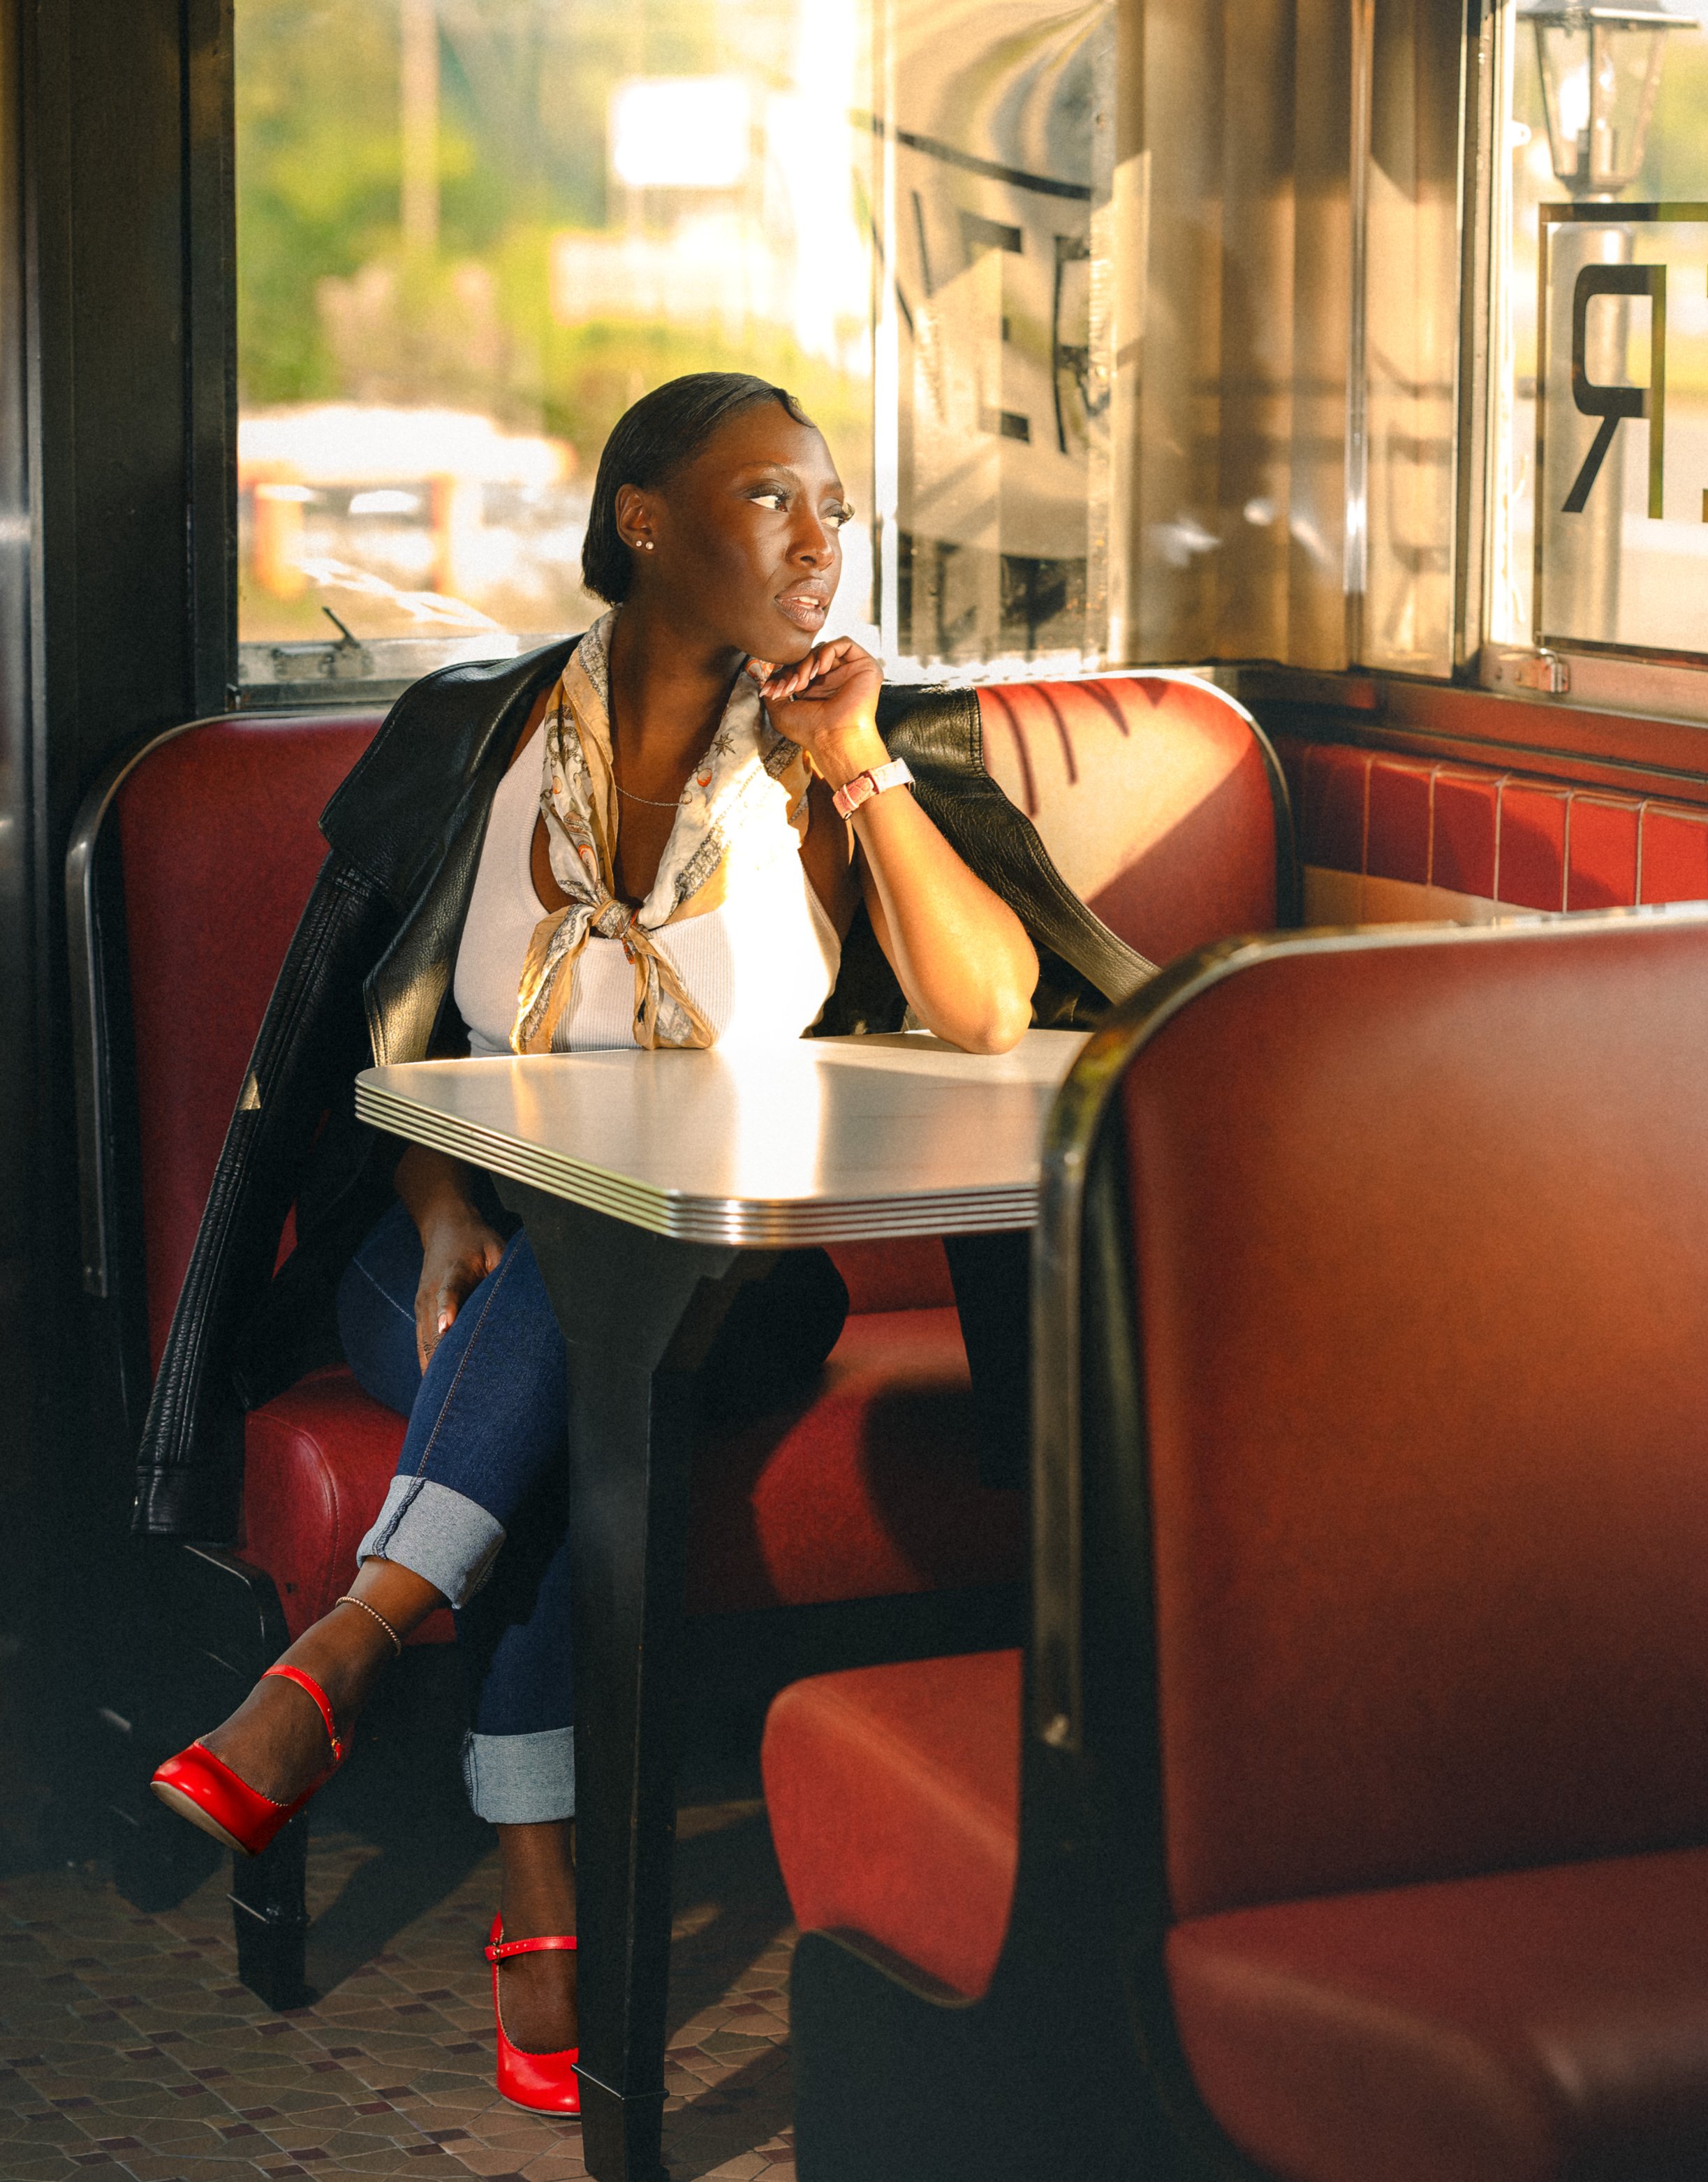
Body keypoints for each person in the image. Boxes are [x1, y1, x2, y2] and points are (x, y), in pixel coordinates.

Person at [145, 372, 1041, 2113]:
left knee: (595, 1328)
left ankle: (347, 1653)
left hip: (735, 1284)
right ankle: (533, 1873)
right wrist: (429, 1199)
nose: (819, 538)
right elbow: (374, 1045)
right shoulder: (469, 739)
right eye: (772, 497)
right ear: (642, 518)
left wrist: (859, 768)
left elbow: (988, 1006)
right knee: (556, 1370)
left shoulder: (847, 742)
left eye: (834, 505)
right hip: (453, 1259)